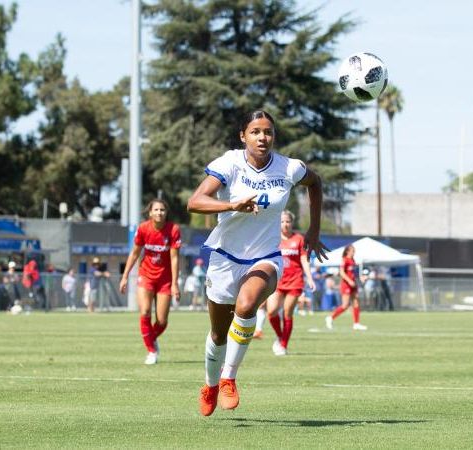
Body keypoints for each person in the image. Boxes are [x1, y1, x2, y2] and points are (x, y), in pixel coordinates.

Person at [187, 109, 327, 416]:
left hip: (265, 257)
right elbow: (195, 202)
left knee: (247, 304)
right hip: (224, 258)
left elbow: (315, 184)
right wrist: (231, 203)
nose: (262, 137)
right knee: (218, 334)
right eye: (255, 132)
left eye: (268, 132)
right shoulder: (229, 164)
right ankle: (210, 385)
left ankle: (228, 378)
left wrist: (313, 230)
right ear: (243, 136)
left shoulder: (289, 167)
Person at [119, 199, 181, 365]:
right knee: (145, 312)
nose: (159, 212)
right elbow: (134, 254)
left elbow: (175, 259)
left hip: (165, 280)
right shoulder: (143, 228)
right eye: (156, 210)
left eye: (162, 210)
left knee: (162, 321)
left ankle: (150, 339)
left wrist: (175, 283)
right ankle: (151, 351)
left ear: (166, 213)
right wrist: (125, 276)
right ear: (150, 213)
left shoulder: (173, 230)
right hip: (145, 276)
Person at [266, 210, 316, 356]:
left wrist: (310, 278)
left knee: (288, 312)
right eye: (282, 221)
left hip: (295, 281)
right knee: (272, 311)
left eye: (287, 221)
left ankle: (283, 345)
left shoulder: (299, 239)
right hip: (278, 280)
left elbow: (303, 260)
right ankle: (280, 336)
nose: (285, 224)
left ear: (292, 223)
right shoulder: (274, 239)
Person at [325, 245, 367, 330]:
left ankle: (356, 324)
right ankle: (330, 317)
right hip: (346, 285)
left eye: (354, 251)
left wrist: (361, 277)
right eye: (352, 251)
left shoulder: (353, 260)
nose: (354, 252)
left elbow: (354, 273)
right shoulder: (345, 260)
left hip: (353, 284)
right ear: (347, 251)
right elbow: (342, 272)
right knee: (345, 305)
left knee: (356, 303)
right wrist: (349, 281)